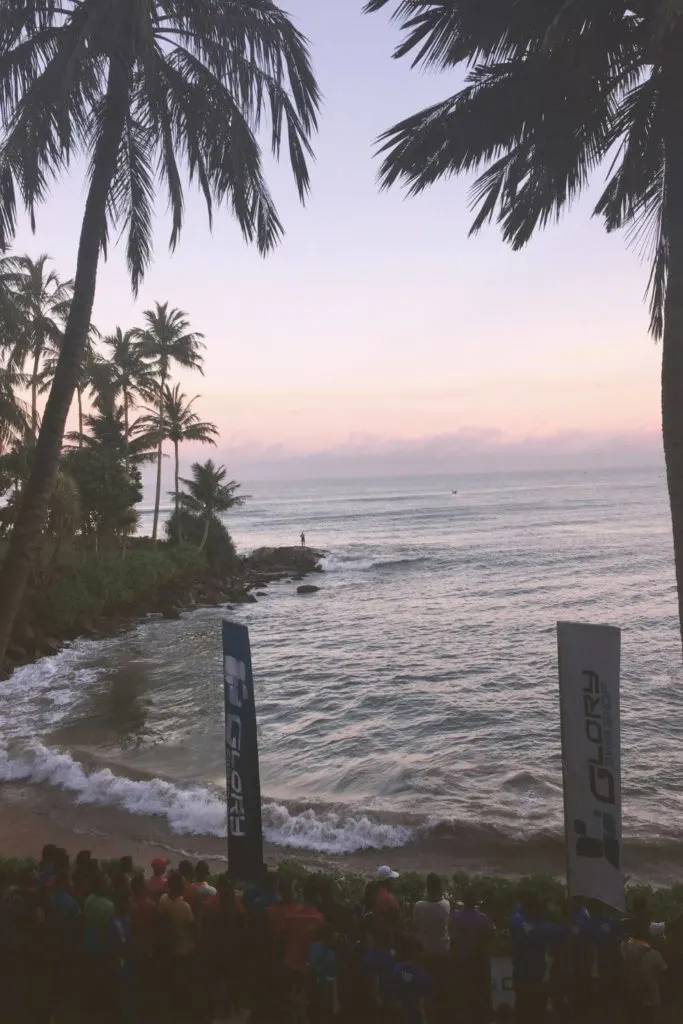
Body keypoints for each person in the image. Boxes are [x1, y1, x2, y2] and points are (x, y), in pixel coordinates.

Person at [510, 891, 566, 1024]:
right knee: (538, 1014)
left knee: (521, 1013)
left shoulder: (516, 926)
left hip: (521, 978)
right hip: (539, 980)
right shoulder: (548, 929)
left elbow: (515, 914)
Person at [450, 888, 493, 1024]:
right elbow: (487, 939)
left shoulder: (455, 916)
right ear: (475, 903)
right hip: (477, 965)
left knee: (462, 1002)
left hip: (460, 964)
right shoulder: (482, 918)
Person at [159, 871, 196, 1022]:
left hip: (168, 949)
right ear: (180, 887)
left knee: (172, 985)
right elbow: (193, 929)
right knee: (183, 987)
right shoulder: (184, 906)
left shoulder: (163, 900)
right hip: (184, 951)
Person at [620, 920, 667, 1024]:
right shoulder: (655, 955)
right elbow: (663, 971)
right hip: (651, 998)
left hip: (633, 996)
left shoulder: (626, 949)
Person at [391, 934, 431, 1024]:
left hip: (401, 1012)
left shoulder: (396, 969)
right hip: (413, 1013)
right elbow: (425, 999)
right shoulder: (423, 975)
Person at [375, 866, 401, 936]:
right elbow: (397, 923)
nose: (394, 882)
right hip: (389, 936)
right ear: (388, 881)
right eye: (392, 879)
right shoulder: (390, 899)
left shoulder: (374, 894)